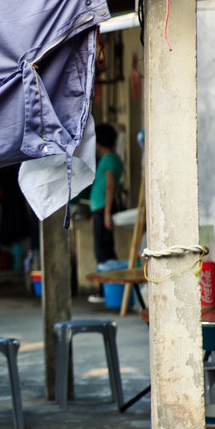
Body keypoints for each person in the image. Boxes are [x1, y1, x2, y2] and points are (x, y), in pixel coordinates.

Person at [88, 123, 123, 302]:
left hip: (104, 208)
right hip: (100, 209)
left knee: (103, 252)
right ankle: (108, 290)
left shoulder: (109, 159)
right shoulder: (113, 158)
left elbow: (110, 187)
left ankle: (106, 291)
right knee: (104, 249)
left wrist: (106, 214)